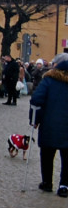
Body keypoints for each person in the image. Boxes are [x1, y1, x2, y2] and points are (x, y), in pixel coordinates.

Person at [32, 53, 68, 197]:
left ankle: (47, 182)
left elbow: (36, 100)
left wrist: (34, 120)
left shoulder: (48, 80)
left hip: (49, 124)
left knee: (47, 154)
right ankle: (64, 186)